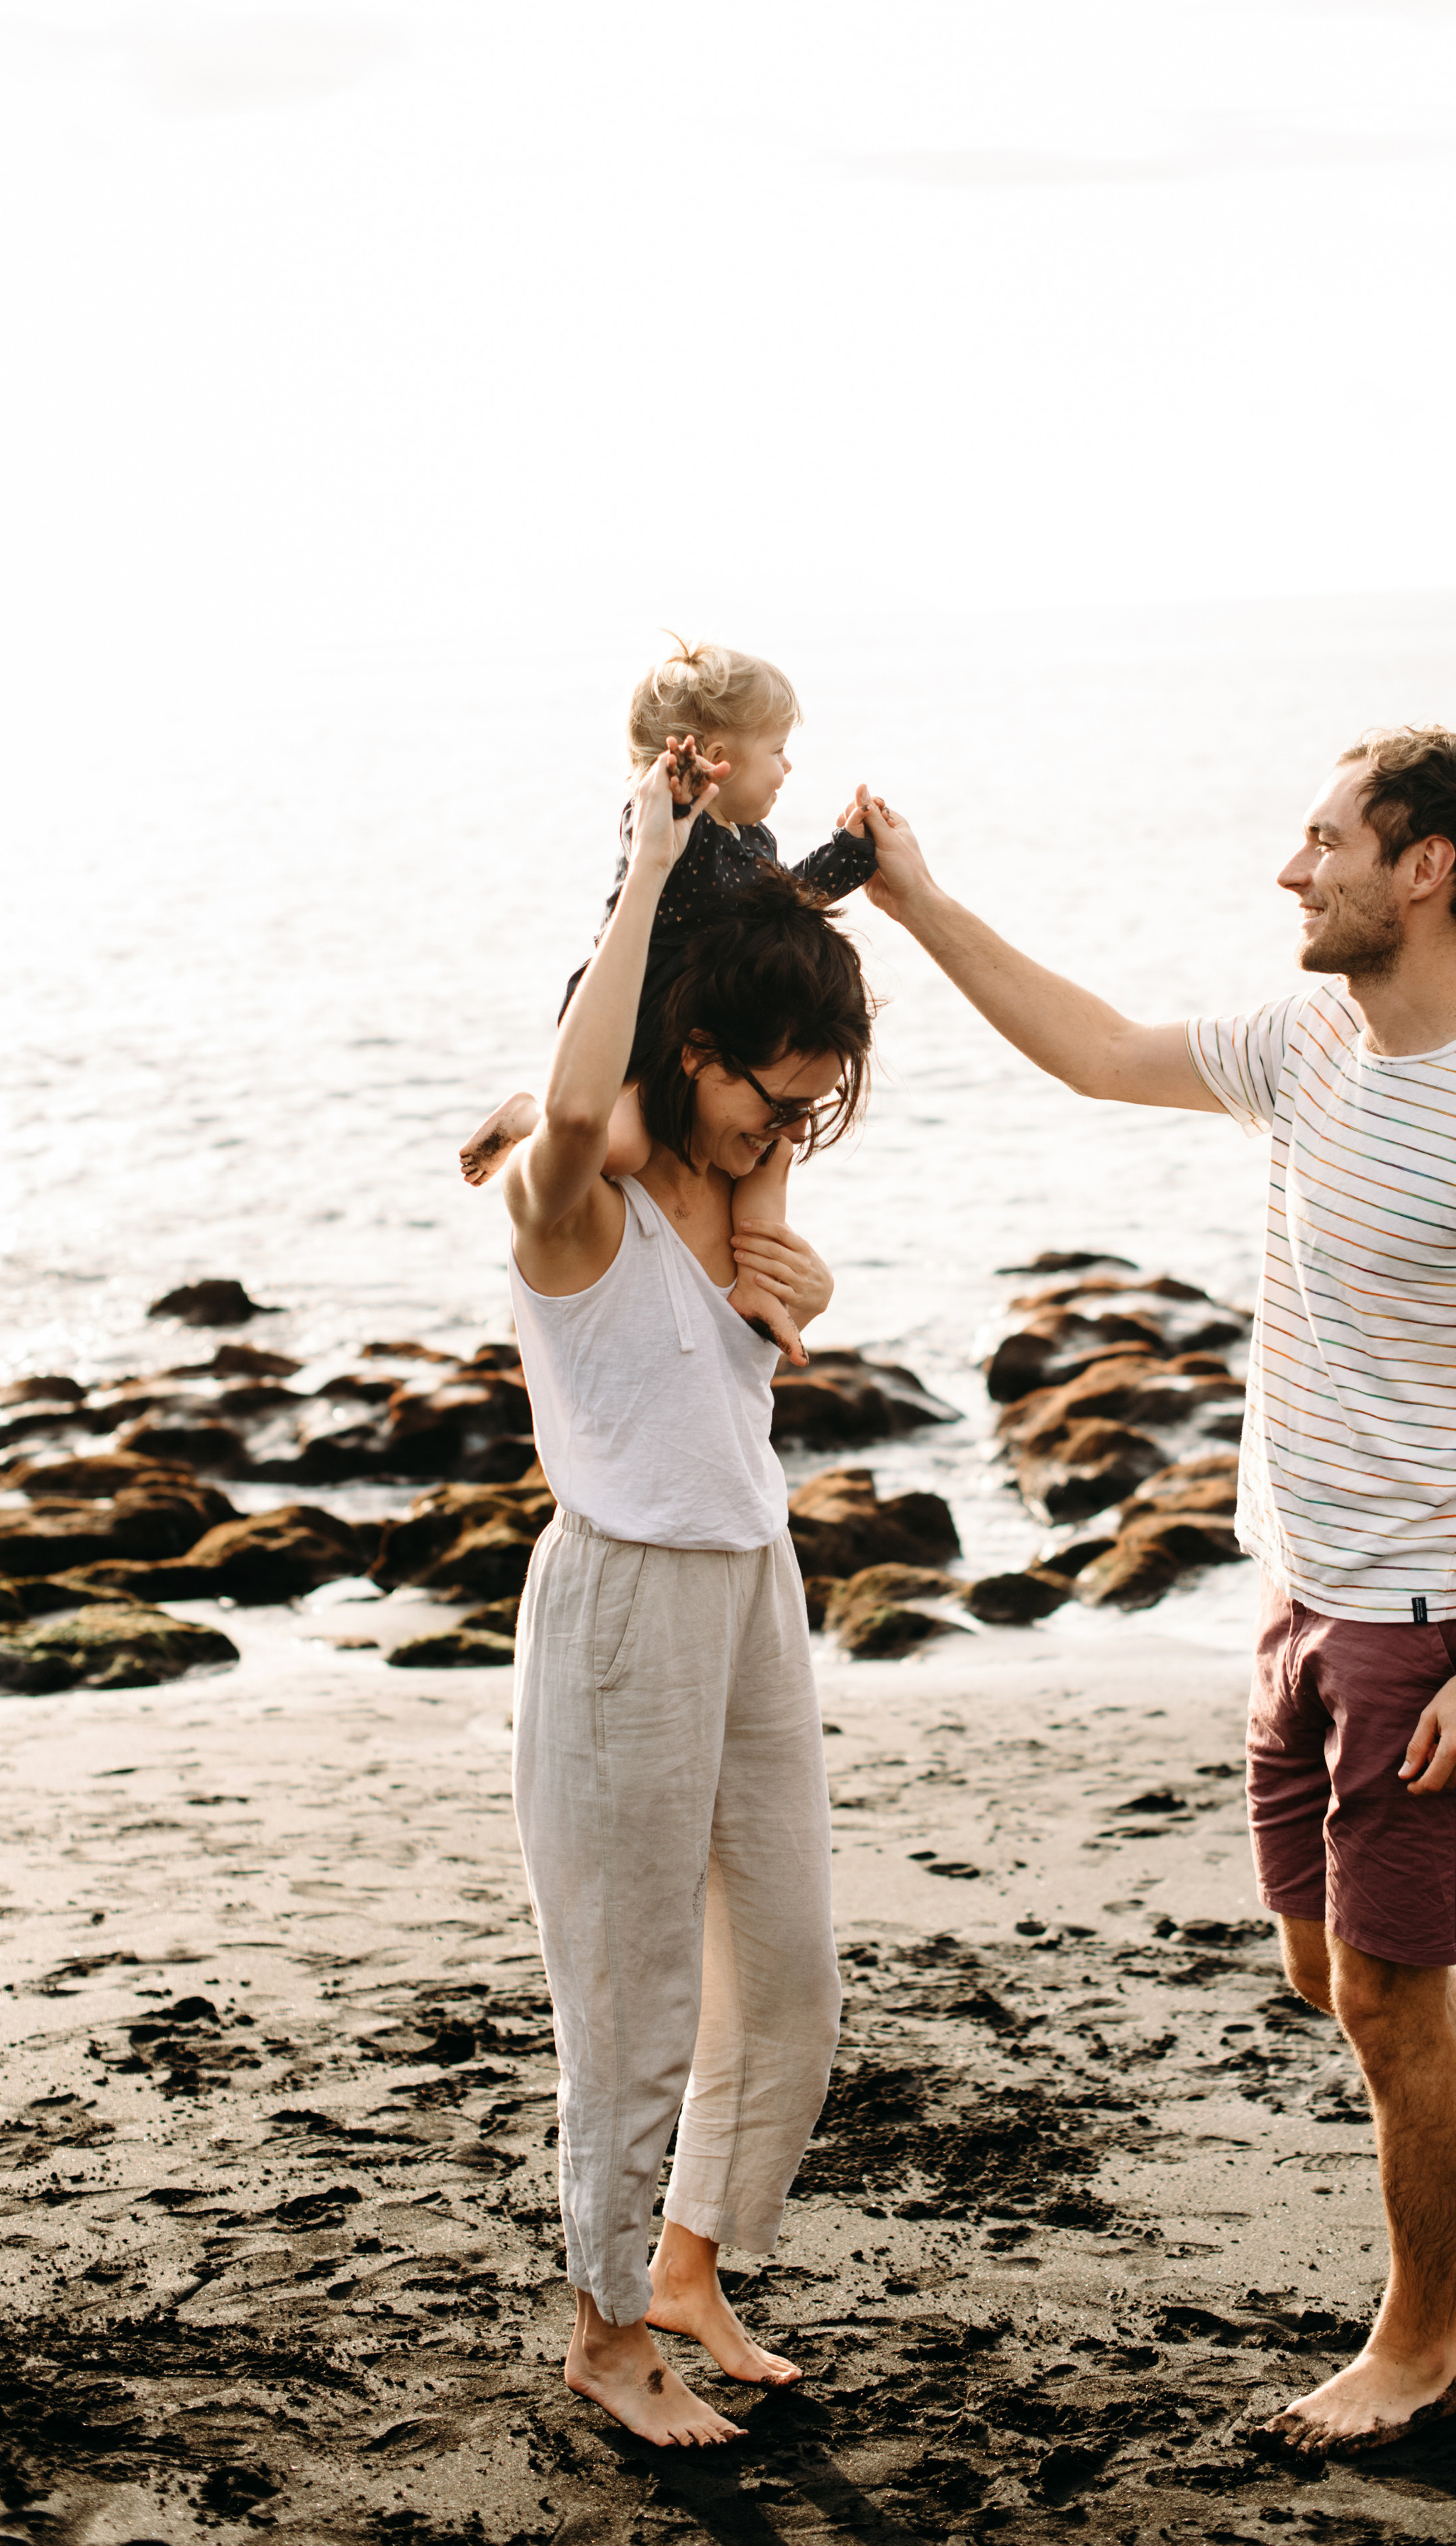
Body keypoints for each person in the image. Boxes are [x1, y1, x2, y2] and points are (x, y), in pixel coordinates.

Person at [855, 729, 1456, 2459]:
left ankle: (1420, 2342)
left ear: (1424, 868)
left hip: (1424, 1623)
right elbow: (1095, 1052)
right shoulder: (1305, 1043)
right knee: (1339, 1971)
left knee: (1389, 1998)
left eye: (1323, 840)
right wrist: (914, 898)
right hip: (1297, 1593)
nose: (1288, 869)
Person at [500, 741, 874, 2448]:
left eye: (804, 1114)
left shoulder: (736, 1201)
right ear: (695, 1048)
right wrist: (651, 864)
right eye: (767, 1101)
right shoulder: (568, 1204)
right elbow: (578, 1104)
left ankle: (687, 2269)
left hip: (748, 1580)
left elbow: (750, 1334)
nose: (780, 1134)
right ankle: (601, 2330)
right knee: (632, 1997)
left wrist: (799, 1281)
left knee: (788, 1980)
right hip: (620, 1608)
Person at [462, 638, 877, 1366]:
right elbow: (646, 848)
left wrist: (850, 855)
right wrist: (678, 799)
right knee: (620, 1148)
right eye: (777, 750)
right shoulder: (670, 828)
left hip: (699, 1016)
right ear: (716, 758)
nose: (787, 767)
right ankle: (532, 1120)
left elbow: (787, 903)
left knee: (776, 1147)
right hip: (637, 1021)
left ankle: (759, 1283)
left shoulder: (752, 842)